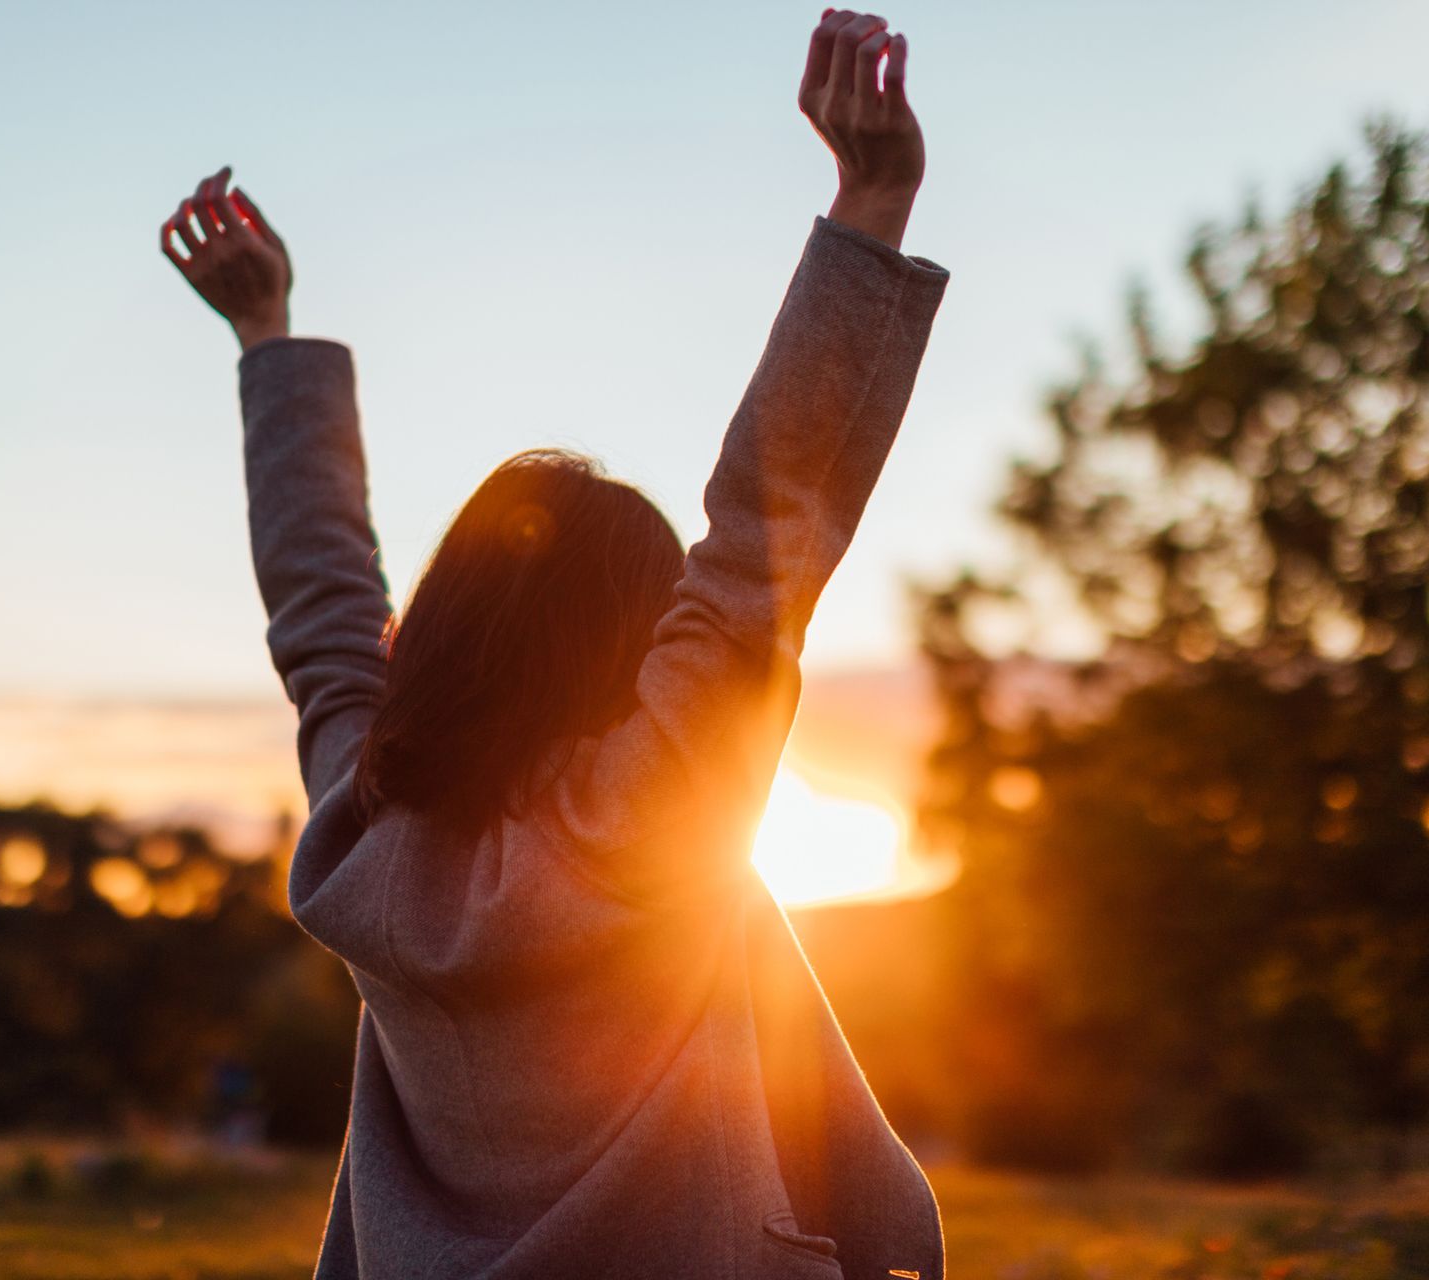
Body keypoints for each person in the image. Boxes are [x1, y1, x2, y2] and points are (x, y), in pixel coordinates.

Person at [161, 10, 948, 1276]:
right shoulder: (644, 818)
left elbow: (322, 619)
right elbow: (760, 546)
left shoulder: (362, 838)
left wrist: (270, 339)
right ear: (628, 653)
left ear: (437, 638)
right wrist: (871, 200)